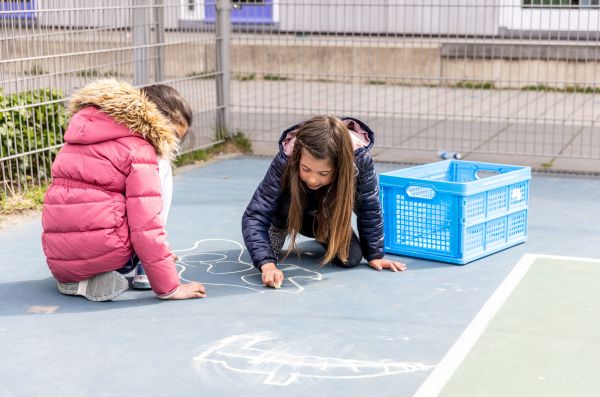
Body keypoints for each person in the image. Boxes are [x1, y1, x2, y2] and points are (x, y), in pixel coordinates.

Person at [41, 79, 206, 301]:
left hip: (59, 257)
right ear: (156, 121)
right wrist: (169, 286)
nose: (172, 145)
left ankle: (77, 282)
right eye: (174, 137)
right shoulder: (142, 151)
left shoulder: (79, 134)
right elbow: (146, 224)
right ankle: (142, 269)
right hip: (106, 250)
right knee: (160, 171)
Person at [242, 115, 406, 289]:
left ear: (339, 166)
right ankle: (278, 226)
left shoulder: (359, 161)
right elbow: (255, 215)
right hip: (287, 213)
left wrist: (375, 254)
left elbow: (369, 207)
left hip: (323, 216)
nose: (312, 180)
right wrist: (267, 264)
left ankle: (321, 231)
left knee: (351, 258)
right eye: (306, 169)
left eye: (323, 173)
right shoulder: (285, 159)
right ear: (298, 157)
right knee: (265, 254)